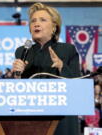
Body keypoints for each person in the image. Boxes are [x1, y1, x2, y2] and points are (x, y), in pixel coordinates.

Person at [12, 2, 81, 135]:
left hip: (61, 119)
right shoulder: (22, 51)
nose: (36, 24)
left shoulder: (67, 50)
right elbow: (16, 92)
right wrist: (17, 76)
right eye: (33, 21)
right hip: (31, 118)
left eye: (42, 20)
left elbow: (78, 87)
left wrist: (61, 66)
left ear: (54, 27)